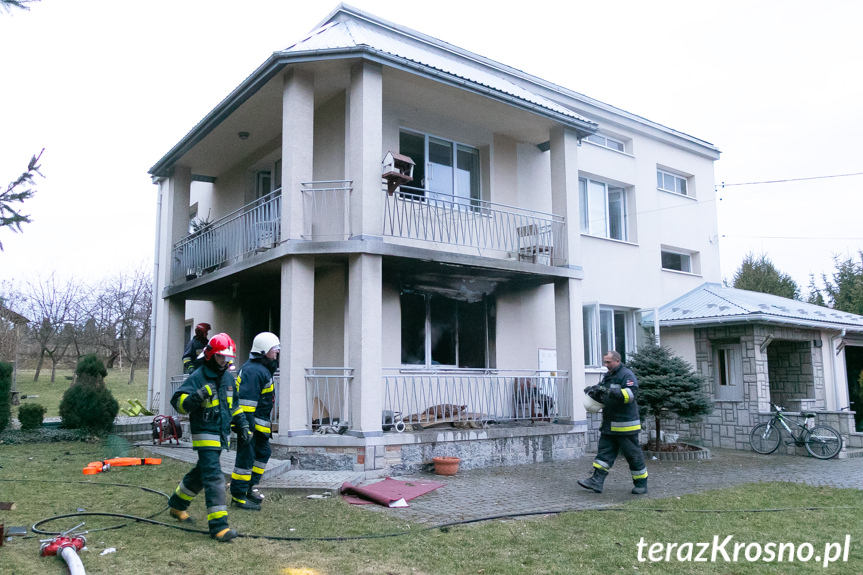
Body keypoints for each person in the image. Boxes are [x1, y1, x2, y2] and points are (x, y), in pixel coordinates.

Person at [167, 332, 250, 542]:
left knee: (201, 473)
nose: (225, 361)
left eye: (228, 358)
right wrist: (198, 395)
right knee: (214, 476)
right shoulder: (199, 376)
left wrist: (243, 424)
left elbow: (234, 405)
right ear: (211, 355)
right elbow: (177, 402)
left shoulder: (229, 378)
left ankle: (177, 505)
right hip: (204, 434)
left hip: (221, 435)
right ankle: (219, 527)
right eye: (221, 357)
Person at [578, 350, 648, 495]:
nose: (606, 365)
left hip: (626, 427)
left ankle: (641, 484)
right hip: (610, 425)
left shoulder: (627, 375)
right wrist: (593, 391)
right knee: (604, 455)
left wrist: (608, 391)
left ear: (617, 361)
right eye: (605, 362)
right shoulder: (608, 376)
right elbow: (603, 392)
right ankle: (596, 481)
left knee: (633, 456)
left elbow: (630, 395)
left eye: (608, 362)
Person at [230, 332, 280, 510]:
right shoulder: (253, 371)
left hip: (257, 426)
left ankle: (248, 488)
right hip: (249, 425)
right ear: (265, 350)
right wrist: (246, 428)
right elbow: (247, 405)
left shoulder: (261, 369)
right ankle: (238, 496)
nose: (277, 352)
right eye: (274, 349)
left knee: (263, 453)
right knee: (245, 459)